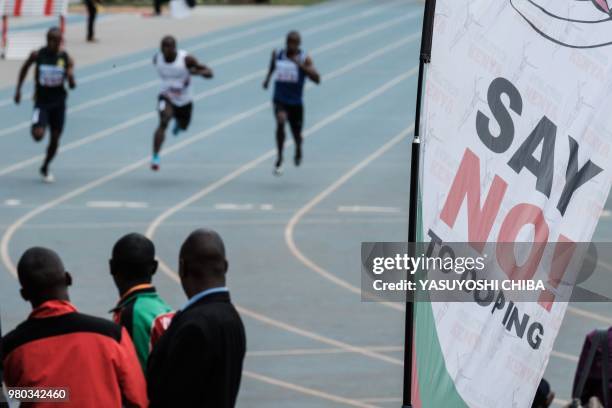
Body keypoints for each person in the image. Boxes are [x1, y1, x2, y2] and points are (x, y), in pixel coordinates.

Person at [2, 247, 147, 407]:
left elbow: (13, 394)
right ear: (68, 278)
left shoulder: (10, 349)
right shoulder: (113, 336)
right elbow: (138, 400)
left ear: (24, 294)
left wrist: (51, 393)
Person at [147, 229, 246, 408]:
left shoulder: (193, 325)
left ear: (182, 268)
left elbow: (173, 396)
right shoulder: (231, 316)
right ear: (225, 266)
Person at [14, 27, 75, 183]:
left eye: (61, 40)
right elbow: (24, 68)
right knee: (38, 135)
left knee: (55, 139)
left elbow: (73, 85)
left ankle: (45, 166)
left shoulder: (65, 57)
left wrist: (70, 76)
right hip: (41, 103)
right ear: (49, 40)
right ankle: (39, 124)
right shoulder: (38, 55)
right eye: (56, 40)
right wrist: (18, 90)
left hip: (59, 104)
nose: (59, 43)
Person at [109, 233, 174, 370]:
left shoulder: (131, 315)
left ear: (112, 267)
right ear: (155, 267)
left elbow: (135, 377)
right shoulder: (166, 310)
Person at [151, 35, 213, 171]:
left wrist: (196, 72)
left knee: (184, 126)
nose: (166, 50)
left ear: (175, 48)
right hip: (166, 96)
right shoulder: (157, 58)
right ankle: (155, 156)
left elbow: (209, 72)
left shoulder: (186, 59)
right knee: (164, 121)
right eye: (163, 46)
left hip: (185, 100)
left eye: (169, 47)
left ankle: (179, 124)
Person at [263, 30, 320, 176]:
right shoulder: (278, 54)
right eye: (289, 42)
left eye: (294, 43)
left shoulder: (304, 58)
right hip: (280, 99)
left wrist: (300, 66)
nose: (291, 45)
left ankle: (298, 148)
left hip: (296, 102)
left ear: (299, 44)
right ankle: (280, 157)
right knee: (280, 121)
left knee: (296, 134)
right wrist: (267, 79)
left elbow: (317, 79)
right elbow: (272, 66)